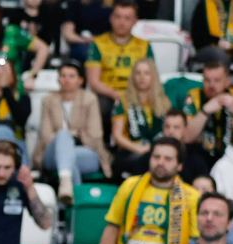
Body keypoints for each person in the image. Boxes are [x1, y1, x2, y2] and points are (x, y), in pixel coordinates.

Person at [90, 138, 199, 244]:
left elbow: (198, 242)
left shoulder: (191, 197)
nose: (160, 162)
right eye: (156, 157)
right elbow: (112, 229)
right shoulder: (129, 186)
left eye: (168, 159)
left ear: (180, 166)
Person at [31, 61, 110, 203]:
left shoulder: (90, 99)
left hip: (86, 152)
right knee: (63, 137)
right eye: (63, 75)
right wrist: (75, 134)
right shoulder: (48, 100)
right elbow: (47, 137)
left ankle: (67, 187)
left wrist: (67, 137)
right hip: (52, 153)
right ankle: (76, 202)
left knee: (67, 156)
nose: (66, 80)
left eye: (71, 76)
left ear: (81, 80)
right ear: (58, 79)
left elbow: (95, 137)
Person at [84, 0, 152, 141]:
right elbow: (94, 82)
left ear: (135, 21)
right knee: (100, 106)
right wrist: (117, 95)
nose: (122, 22)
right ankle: (103, 149)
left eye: (127, 18)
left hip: (137, 93)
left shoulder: (144, 45)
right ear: (111, 18)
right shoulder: (98, 44)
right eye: (118, 17)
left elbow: (151, 78)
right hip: (108, 95)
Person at [111, 57, 173, 177]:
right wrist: (138, 148)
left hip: (158, 152)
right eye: (138, 73)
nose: (142, 77)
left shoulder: (164, 103)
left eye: (147, 73)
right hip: (130, 152)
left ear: (153, 77)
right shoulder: (123, 101)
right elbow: (117, 135)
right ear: (133, 76)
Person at [183, 59, 233, 172]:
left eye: (217, 80)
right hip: (202, 156)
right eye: (207, 80)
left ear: (227, 82)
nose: (211, 85)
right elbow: (187, 137)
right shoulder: (193, 96)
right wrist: (205, 111)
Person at [163, 108, 212, 183]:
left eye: (176, 127)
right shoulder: (152, 157)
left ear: (185, 129)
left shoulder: (196, 158)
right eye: (167, 127)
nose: (170, 131)